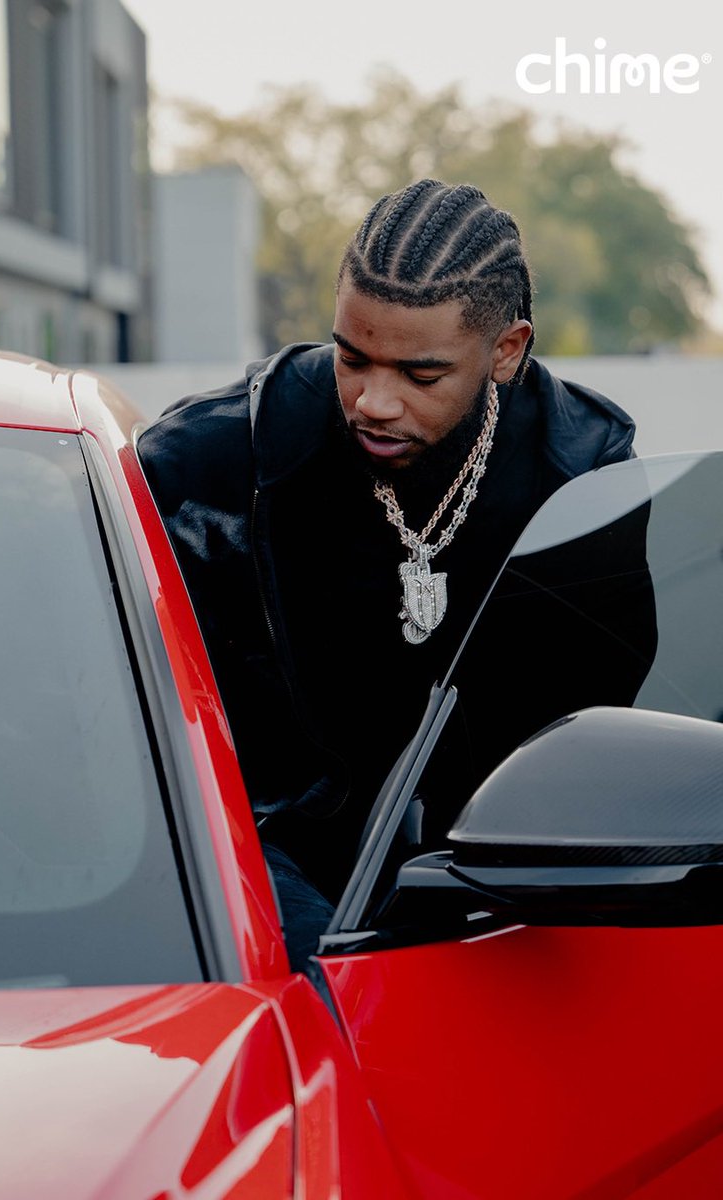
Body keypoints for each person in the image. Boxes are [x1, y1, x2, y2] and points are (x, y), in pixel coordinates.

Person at [137, 179, 649, 965]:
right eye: (352, 357)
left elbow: (591, 726)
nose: (372, 401)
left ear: (506, 351)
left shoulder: (580, 471)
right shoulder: (220, 456)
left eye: (420, 375)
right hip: (252, 865)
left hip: (491, 880)